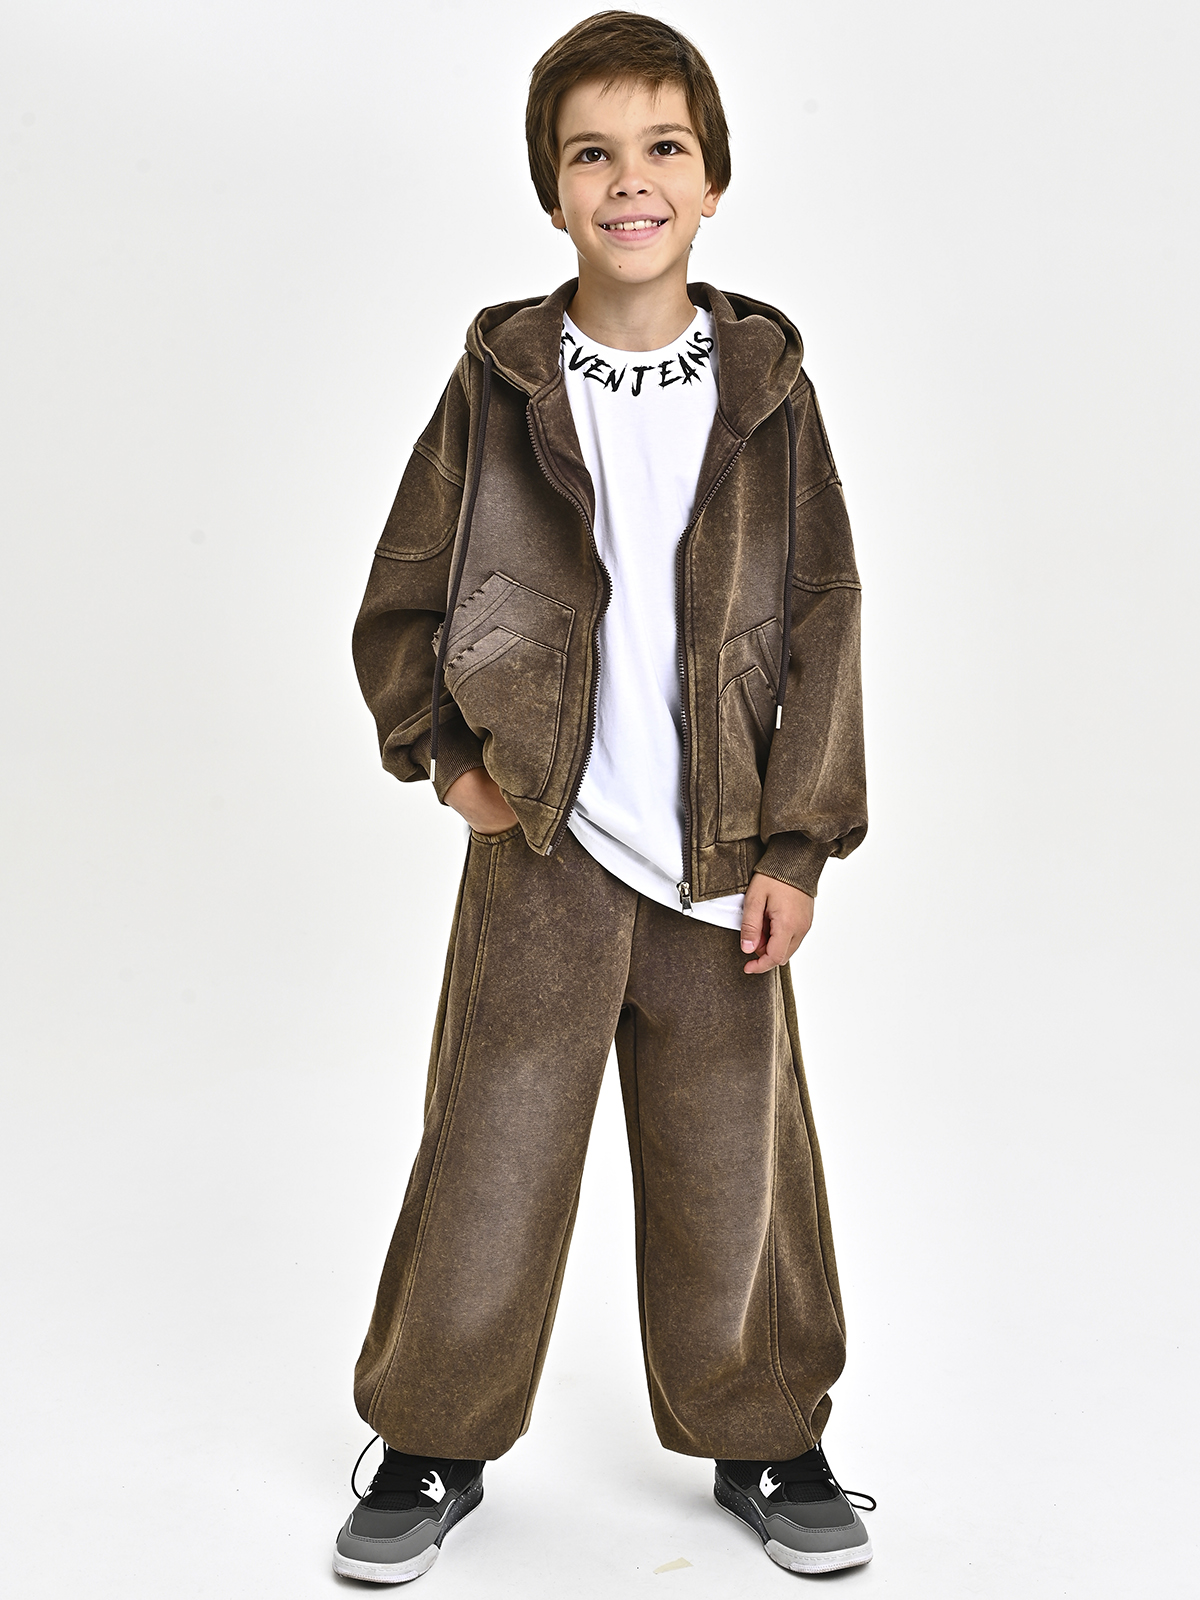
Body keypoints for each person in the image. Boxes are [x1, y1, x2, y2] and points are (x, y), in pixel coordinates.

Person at [333, 10, 872, 1584]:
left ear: (711, 182)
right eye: (593, 154)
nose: (629, 181)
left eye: (663, 149)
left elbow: (827, 616)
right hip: (544, 849)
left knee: (735, 1171)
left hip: (720, 863)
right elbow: (403, 597)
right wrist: (449, 762)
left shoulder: (769, 391)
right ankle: (430, 1440)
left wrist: (797, 847)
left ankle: (764, 1434)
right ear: (552, 188)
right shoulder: (501, 383)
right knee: (490, 1158)